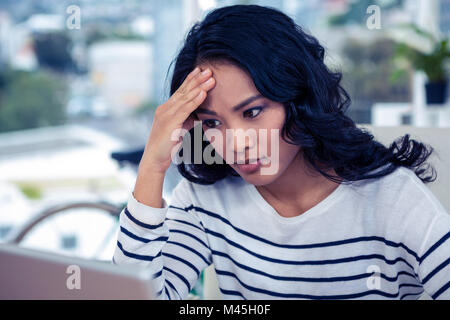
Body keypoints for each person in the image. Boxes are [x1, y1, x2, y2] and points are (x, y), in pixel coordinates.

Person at [113, 4, 450, 300]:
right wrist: (152, 168)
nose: (236, 143)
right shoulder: (205, 200)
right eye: (213, 123)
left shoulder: (392, 199)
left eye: (253, 112)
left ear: (297, 100)